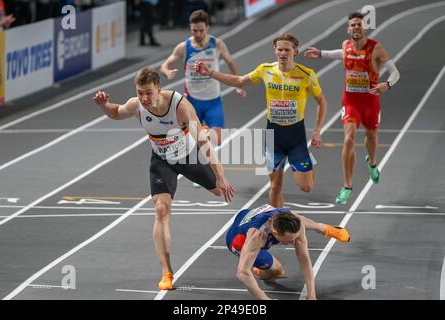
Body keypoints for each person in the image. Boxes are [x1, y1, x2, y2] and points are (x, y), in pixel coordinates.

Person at [92, 67, 234, 290]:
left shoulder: (180, 106)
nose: (144, 98)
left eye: (149, 93)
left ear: (159, 88)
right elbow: (116, 112)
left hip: (189, 157)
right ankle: (166, 273)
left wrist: (221, 176)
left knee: (221, 192)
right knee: (161, 210)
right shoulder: (136, 105)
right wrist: (103, 105)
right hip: (162, 161)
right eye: (140, 93)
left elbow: (204, 146)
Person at [195, 33, 328, 208]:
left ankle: (308, 168)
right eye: (279, 49)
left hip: (296, 137)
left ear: (295, 51)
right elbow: (239, 80)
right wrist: (210, 72)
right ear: (275, 50)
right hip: (274, 137)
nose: (283, 53)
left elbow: (322, 102)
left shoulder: (307, 75)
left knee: (307, 187)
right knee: (275, 187)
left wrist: (317, 131)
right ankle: (276, 224)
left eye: (287, 49)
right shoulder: (265, 70)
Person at [304, 11, 400, 204]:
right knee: (348, 139)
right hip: (350, 102)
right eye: (353, 25)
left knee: (371, 137)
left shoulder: (376, 49)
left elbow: (395, 72)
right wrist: (321, 54)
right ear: (348, 29)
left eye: (359, 24)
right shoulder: (346, 46)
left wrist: (386, 85)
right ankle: (347, 186)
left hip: (371, 102)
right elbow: (342, 54)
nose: (356, 27)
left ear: (365, 27)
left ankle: (372, 163)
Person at [226, 204, 350, 300]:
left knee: (299, 219)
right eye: (290, 240)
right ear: (275, 233)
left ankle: (323, 228)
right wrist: (265, 298)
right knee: (277, 270)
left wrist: (312, 295)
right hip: (237, 240)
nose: (293, 242)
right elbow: (242, 273)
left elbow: (304, 258)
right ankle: (260, 268)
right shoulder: (256, 236)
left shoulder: (295, 221)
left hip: (255, 216)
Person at [161, 9, 246, 146]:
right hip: (192, 102)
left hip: (213, 101)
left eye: (201, 30)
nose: (198, 34)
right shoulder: (184, 47)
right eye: (195, 30)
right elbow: (165, 64)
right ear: (190, 28)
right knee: (191, 144)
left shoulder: (217, 44)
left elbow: (231, 62)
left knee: (217, 140)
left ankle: (202, 133)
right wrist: (166, 71)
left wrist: (237, 84)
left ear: (207, 27)